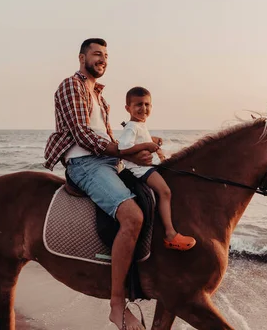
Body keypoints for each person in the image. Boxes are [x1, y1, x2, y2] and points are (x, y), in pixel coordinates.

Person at [44, 38, 149, 330]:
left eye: (106, 55)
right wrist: (123, 152)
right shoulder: (71, 86)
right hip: (84, 163)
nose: (102, 59)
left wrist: (135, 155)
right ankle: (117, 306)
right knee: (132, 217)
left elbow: (108, 138)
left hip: (106, 161)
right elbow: (81, 134)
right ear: (82, 57)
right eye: (97, 54)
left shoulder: (101, 96)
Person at [118, 87, 197, 251]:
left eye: (147, 104)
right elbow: (123, 148)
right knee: (165, 191)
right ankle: (170, 234)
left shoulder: (139, 124)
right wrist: (147, 144)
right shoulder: (132, 126)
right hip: (139, 170)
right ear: (128, 108)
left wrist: (151, 139)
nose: (144, 108)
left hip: (142, 167)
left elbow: (138, 139)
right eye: (138, 104)